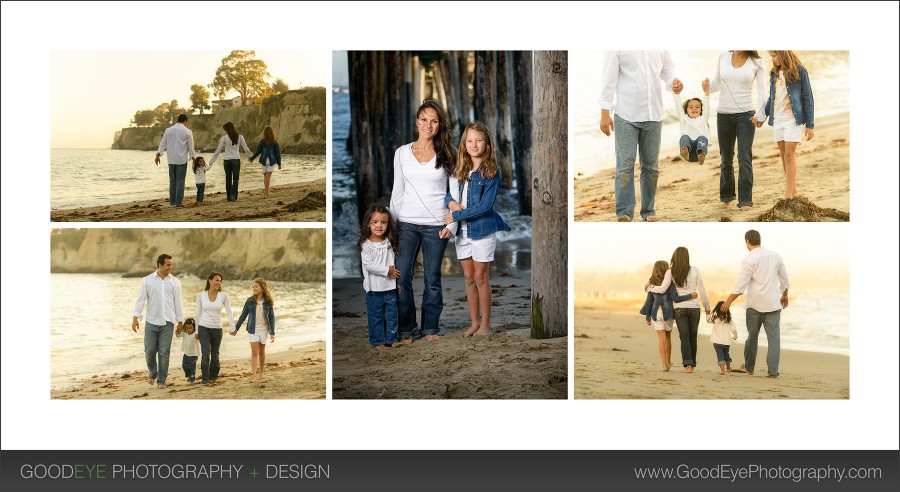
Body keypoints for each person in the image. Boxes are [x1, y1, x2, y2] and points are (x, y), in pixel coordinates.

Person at [389, 99, 456, 344]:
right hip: (405, 224)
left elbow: (456, 191)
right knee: (402, 277)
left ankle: (430, 329)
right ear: (417, 121)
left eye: (434, 121)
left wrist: (452, 224)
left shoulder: (448, 153)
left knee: (432, 279)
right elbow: (397, 192)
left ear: (439, 125)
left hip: (436, 225)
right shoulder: (401, 153)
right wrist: (392, 229)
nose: (429, 125)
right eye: (425, 119)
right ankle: (407, 329)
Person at [441, 121, 511, 337]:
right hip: (462, 233)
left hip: (482, 232)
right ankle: (474, 323)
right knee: (469, 278)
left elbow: (485, 207)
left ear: (487, 144)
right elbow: (447, 194)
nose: (474, 144)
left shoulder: (491, 171)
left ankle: (486, 326)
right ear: (464, 144)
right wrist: (451, 205)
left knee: (481, 277)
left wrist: (456, 215)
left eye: (479, 140)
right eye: (470, 140)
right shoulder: (459, 169)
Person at [599, 51, 682, 222]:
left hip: (654, 114)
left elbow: (667, 70)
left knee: (651, 167)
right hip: (626, 114)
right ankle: (624, 212)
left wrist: (674, 81)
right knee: (625, 166)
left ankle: (648, 211)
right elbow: (608, 79)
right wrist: (605, 112)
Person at [722, 230, 790, 378]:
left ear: (747, 242)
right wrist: (784, 295)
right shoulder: (775, 256)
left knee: (752, 336)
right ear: (759, 240)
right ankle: (772, 371)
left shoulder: (749, 259)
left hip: (755, 305)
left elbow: (741, 284)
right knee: (774, 339)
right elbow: (784, 279)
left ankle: (749, 367)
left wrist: (728, 302)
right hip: (773, 304)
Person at [752, 51, 815, 200]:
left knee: (789, 155)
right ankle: (793, 192)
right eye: (771, 56)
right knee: (783, 155)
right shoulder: (774, 73)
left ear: (783, 53)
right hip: (778, 120)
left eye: (774, 56)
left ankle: (788, 196)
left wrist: (810, 125)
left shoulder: (799, 71)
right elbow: (772, 98)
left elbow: (808, 98)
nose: (772, 59)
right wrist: (762, 116)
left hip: (792, 120)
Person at [708, 51, 767, 211]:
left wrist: (761, 115)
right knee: (725, 157)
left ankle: (745, 200)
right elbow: (717, 84)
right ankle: (727, 196)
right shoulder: (722, 57)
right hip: (723, 114)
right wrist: (708, 86)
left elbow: (762, 91)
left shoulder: (757, 62)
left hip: (746, 115)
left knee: (744, 156)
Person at [647, 246, 711, 373]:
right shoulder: (695, 270)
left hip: (680, 309)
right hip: (694, 308)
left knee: (684, 337)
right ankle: (692, 365)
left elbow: (663, 289)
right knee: (693, 337)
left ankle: (688, 366)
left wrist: (650, 288)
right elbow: (702, 290)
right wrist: (707, 307)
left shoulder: (670, 272)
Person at [131, 254, 184, 388]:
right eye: (168, 265)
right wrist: (135, 318)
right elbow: (140, 300)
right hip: (151, 322)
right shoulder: (147, 280)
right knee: (149, 351)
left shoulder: (175, 282)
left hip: (168, 323)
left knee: (164, 353)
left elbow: (178, 303)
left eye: (171, 264)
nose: (170, 267)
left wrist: (180, 322)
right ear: (160, 265)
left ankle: (161, 380)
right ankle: (153, 372)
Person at [639, 260, 698, 371]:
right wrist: (691, 295)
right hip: (668, 314)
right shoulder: (670, 283)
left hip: (656, 313)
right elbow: (676, 298)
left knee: (661, 339)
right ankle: (668, 362)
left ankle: (665, 365)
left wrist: (647, 317)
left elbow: (649, 302)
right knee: (668, 338)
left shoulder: (651, 285)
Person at [359, 203, 402, 350]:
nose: (379, 226)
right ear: (368, 225)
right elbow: (369, 265)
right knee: (376, 316)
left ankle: (392, 338)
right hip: (373, 289)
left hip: (390, 287)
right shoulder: (366, 245)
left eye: (383, 222)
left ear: (388, 224)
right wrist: (387, 270)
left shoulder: (389, 242)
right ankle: (378, 341)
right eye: (375, 222)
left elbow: (397, 257)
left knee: (391, 315)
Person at [195, 272, 235, 384]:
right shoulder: (201, 295)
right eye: (216, 280)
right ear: (210, 280)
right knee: (205, 353)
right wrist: (197, 331)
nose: (219, 282)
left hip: (217, 328)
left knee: (215, 354)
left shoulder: (224, 295)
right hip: (203, 328)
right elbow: (198, 314)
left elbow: (229, 311)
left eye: (220, 281)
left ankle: (214, 376)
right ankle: (205, 378)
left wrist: (232, 326)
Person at [234, 278, 276, 383]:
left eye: (256, 286)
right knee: (254, 352)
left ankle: (261, 372)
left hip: (264, 329)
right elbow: (243, 315)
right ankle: (253, 375)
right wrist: (236, 328)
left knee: (261, 352)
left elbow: (271, 317)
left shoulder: (268, 301)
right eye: (253, 287)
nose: (254, 288)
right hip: (253, 329)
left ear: (262, 287)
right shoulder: (250, 301)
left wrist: (272, 333)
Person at [155, 114, 197, 207]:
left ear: (178, 120)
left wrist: (158, 155)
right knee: (180, 181)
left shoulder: (168, 130)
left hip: (171, 159)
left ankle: (172, 202)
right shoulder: (188, 131)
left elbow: (163, 143)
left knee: (172, 180)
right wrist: (193, 158)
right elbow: (191, 147)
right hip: (182, 160)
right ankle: (178, 202)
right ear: (185, 121)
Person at [209, 122, 253, 202]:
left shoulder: (224, 138)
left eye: (225, 130)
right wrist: (251, 157)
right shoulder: (240, 137)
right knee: (236, 179)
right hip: (236, 160)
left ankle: (229, 197)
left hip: (227, 160)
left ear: (227, 130)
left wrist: (211, 161)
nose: (225, 131)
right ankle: (233, 195)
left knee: (228, 179)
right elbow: (246, 148)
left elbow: (218, 150)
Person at [673, 86, 710, 164]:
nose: (694, 109)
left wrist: (707, 92)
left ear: (701, 110)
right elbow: (678, 106)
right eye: (691, 107)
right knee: (684, 137)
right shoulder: (684, 118)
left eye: (697, 107)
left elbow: (707, 105)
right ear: (686, 110)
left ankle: (701, 155)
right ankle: (685, 150)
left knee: (702, 138)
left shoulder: (703, 118)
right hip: (688, 154)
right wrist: (676, 94)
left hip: (699, 151)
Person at [249, 126, 282, 199]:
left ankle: (266, 192)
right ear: (272, 133)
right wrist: (279, 164)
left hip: (263, 160)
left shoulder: (262, 141)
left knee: (266, 176)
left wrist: (252, 158)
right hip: (271, 161)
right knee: (268, 177)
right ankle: (266, 193)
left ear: (264, 133)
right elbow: (277, 154)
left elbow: (258, 151)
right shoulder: (275, 142)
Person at [708, 301, 738, 375]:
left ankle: (722, 370)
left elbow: (708, 320)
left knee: (720, 355)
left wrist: (707, 313)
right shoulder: (729, 319)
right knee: (726, 354)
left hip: (717, 342)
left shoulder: (715, 318)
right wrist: (735, 336)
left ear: (717, 309)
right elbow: (733, 329)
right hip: (726, 342)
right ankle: (728, 368)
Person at [176, 317, 201, 383]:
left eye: (190, 328)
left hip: (194, 354)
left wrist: (198, 334)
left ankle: (192, 378)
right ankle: (188, 375)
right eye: (187, 328)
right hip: (186, 353)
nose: (188, 330)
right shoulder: (184, 333)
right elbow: (178, 336)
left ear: (194, 328)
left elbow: (200, 339)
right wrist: (177, 331)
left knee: (192, 368)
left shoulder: (196, 335)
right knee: (184, 366)